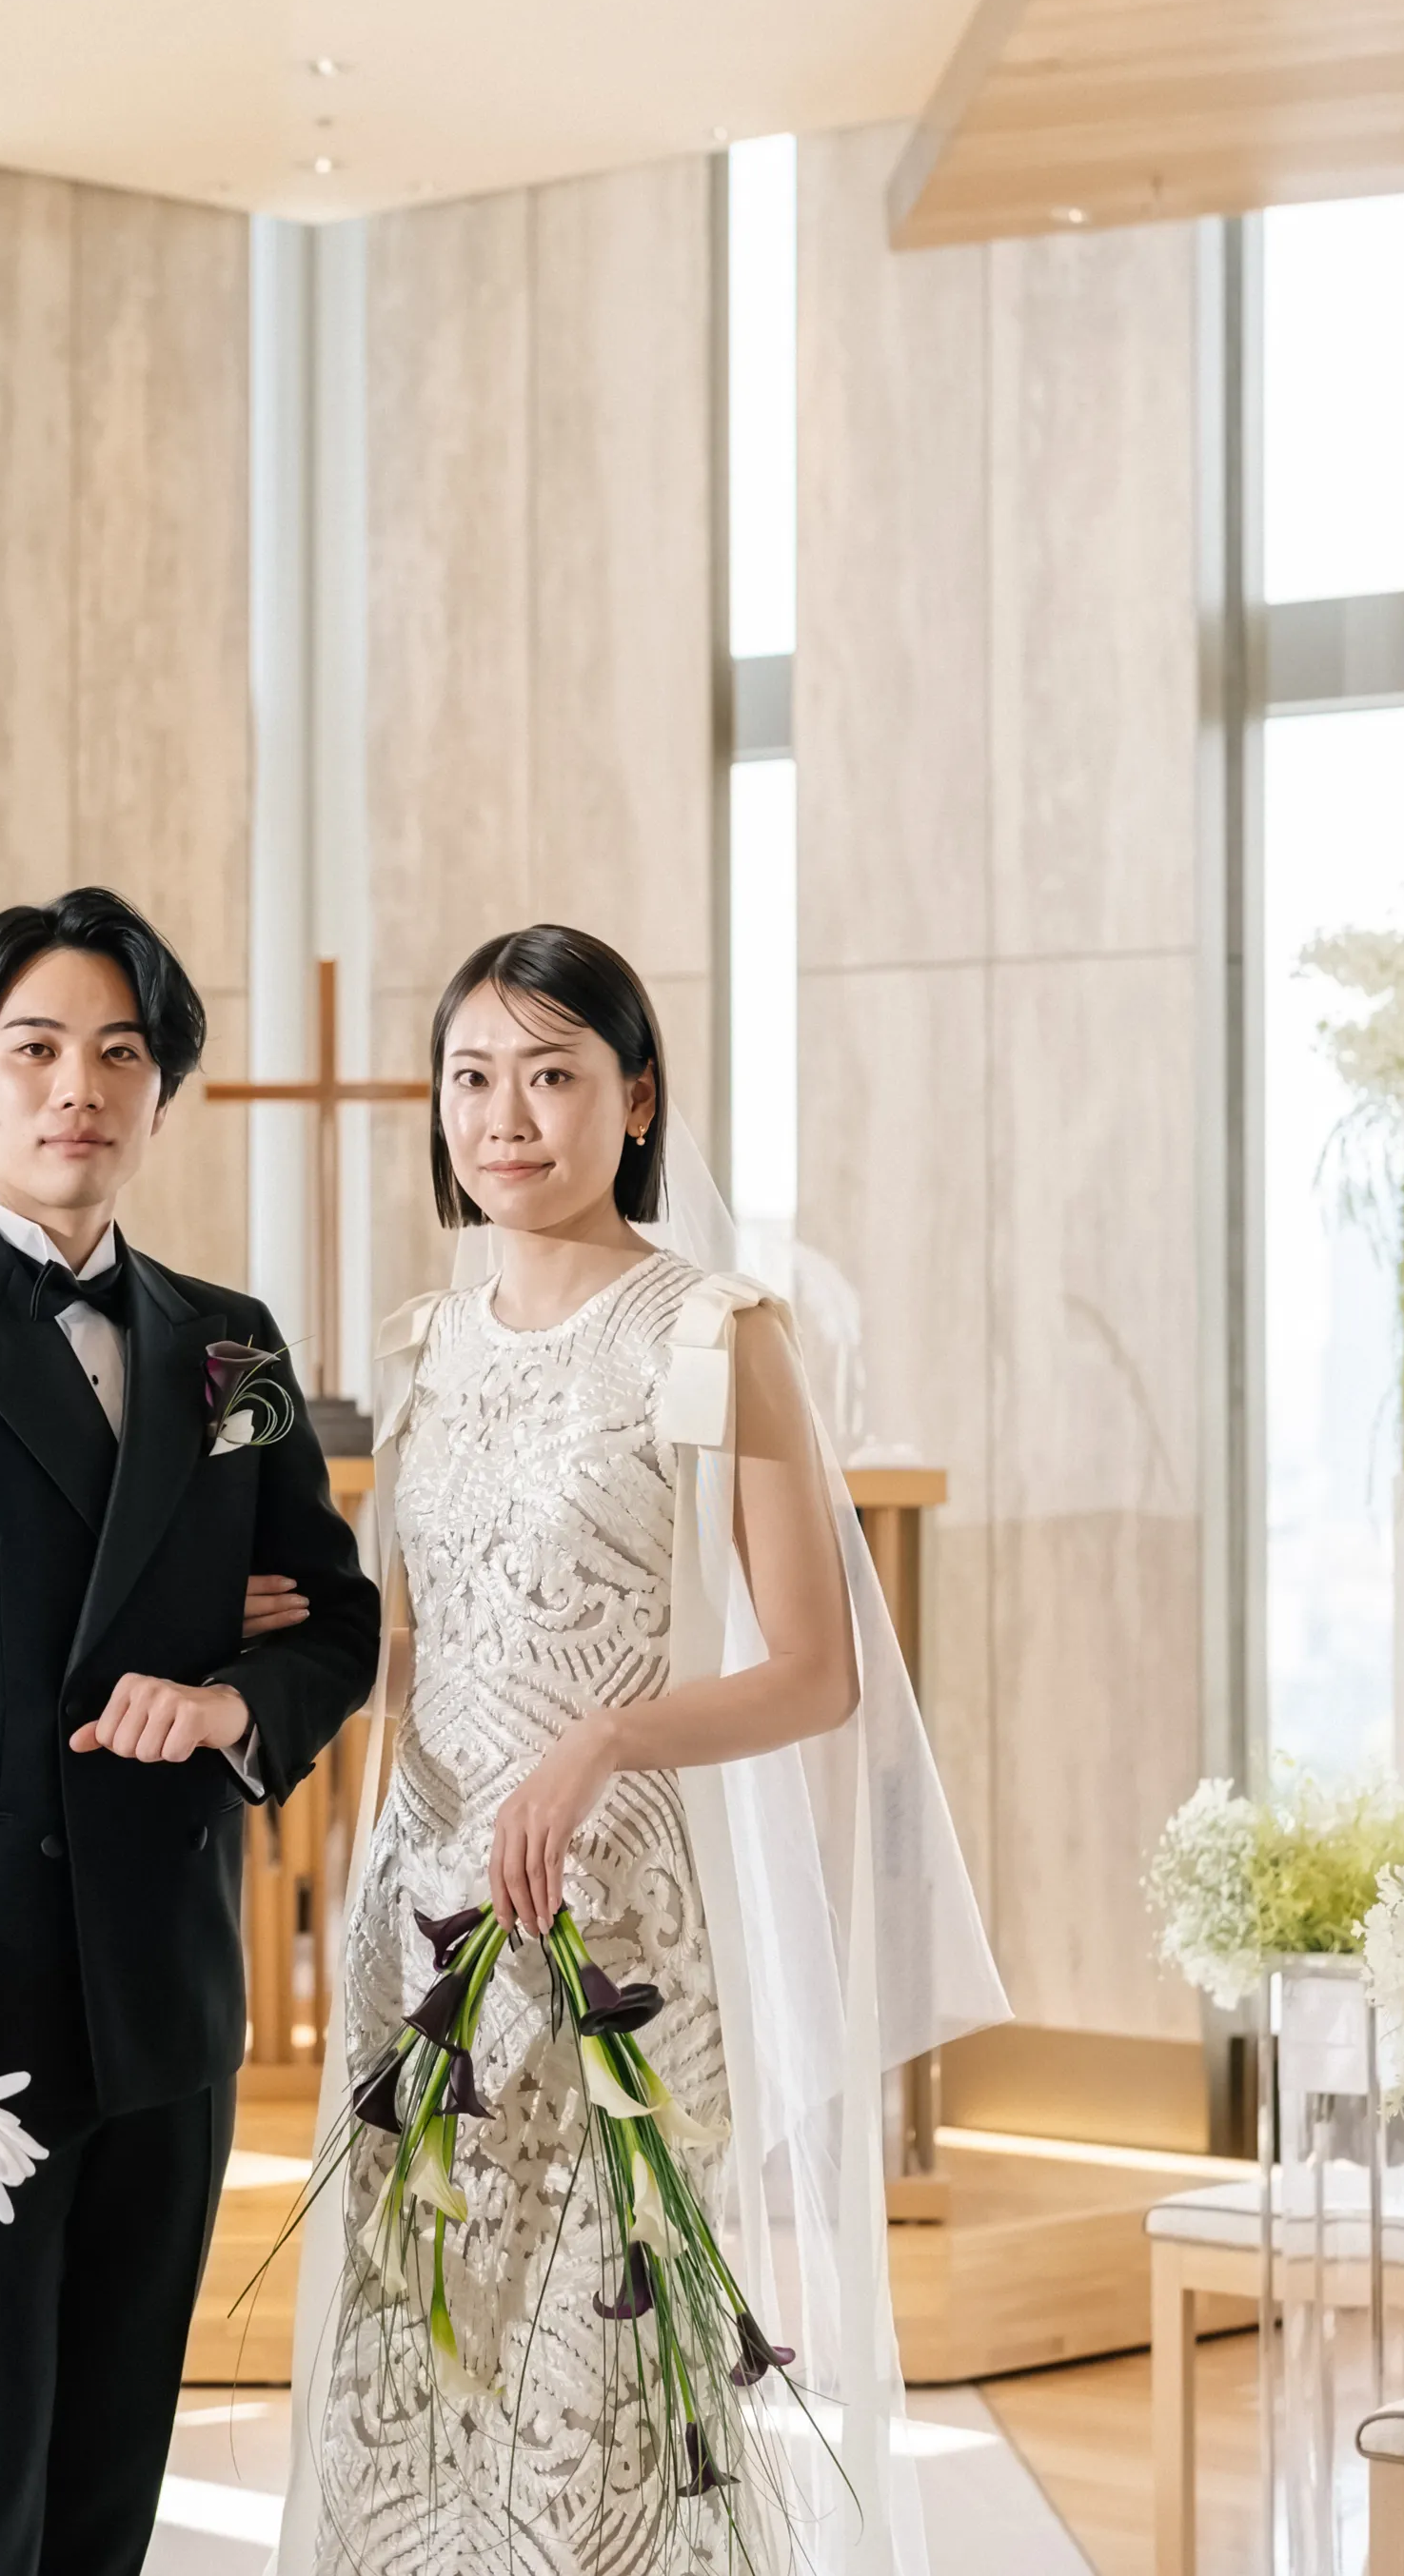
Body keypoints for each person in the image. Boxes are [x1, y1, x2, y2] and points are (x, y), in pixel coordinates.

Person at [276, 924, 1006, 2576]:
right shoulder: (422, 1346)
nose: (505, 1117)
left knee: (593, 2384)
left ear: (639, 1097)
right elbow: (431, 1647)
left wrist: (607, 1738)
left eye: (552, 1076)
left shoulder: (716, 1335)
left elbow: (816, 1673)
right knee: (416, 2368)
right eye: (472, 1077)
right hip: (422, 1931)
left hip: (619, 1940)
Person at [0, 885, 382, 2576]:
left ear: (160, 1088)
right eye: (34, 1049)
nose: (77, 1090)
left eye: (119, 1053)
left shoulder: (231, 1345)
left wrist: (230, 1696)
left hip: (168, 2006)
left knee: (109, 2501)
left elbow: (335, 1622)